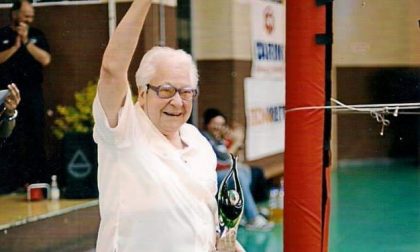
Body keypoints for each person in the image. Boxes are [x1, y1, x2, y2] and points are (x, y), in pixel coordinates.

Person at [93, 0, 244, 251]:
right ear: (142, 94)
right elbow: (112, 69)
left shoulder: (197, 141)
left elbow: (202, 214)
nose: (177, 101)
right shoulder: (124, 131)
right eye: (165, 90)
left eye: (186, 92)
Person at [0, 0, 51, 189]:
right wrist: (15, 46)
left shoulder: (37, 35)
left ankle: (37, 181)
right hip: (9, 95)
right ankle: (9, 183)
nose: (29, 19)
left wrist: (27, 42)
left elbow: (45, 59)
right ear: (14, 14)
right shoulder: (3, 35)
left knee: (35, 136)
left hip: (32, 94)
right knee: (9, 138)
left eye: (31, 15)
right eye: (25, 15)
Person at [201, 108, 274, 231]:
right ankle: (252, 219)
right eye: (215, 124)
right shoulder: (205, 138)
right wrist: (236, 142)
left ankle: (245, 211)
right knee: (238, 176)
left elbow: (230, 159)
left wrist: (233, 141)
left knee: (245, 170)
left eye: (222, 124)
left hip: (219, 173)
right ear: (207, 124)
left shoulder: (218, 140)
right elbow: (221, 161)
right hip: (209, 177)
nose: (219, 127)